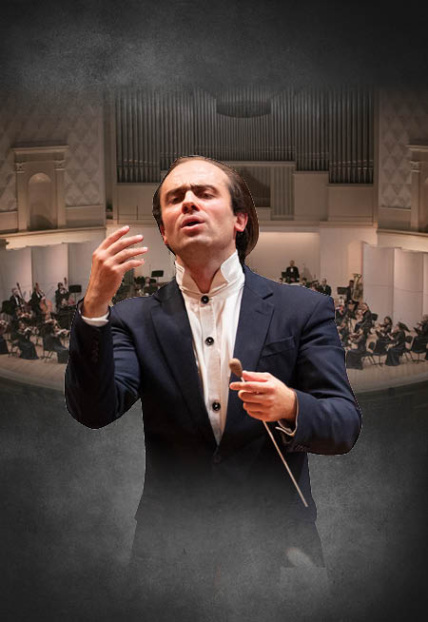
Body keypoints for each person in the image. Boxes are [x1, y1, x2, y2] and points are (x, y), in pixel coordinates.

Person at [65, 156, 361, 620]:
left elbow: (344, 425)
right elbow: (93, 411)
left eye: (204, 193)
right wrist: (95, 305)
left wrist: (290, 405)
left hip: (277, 547)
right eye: (175, 198)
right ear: (163, 232)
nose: (188, 202)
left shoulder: (304, 309)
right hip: (169, 549)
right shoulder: (130, 319)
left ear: (240, 219)